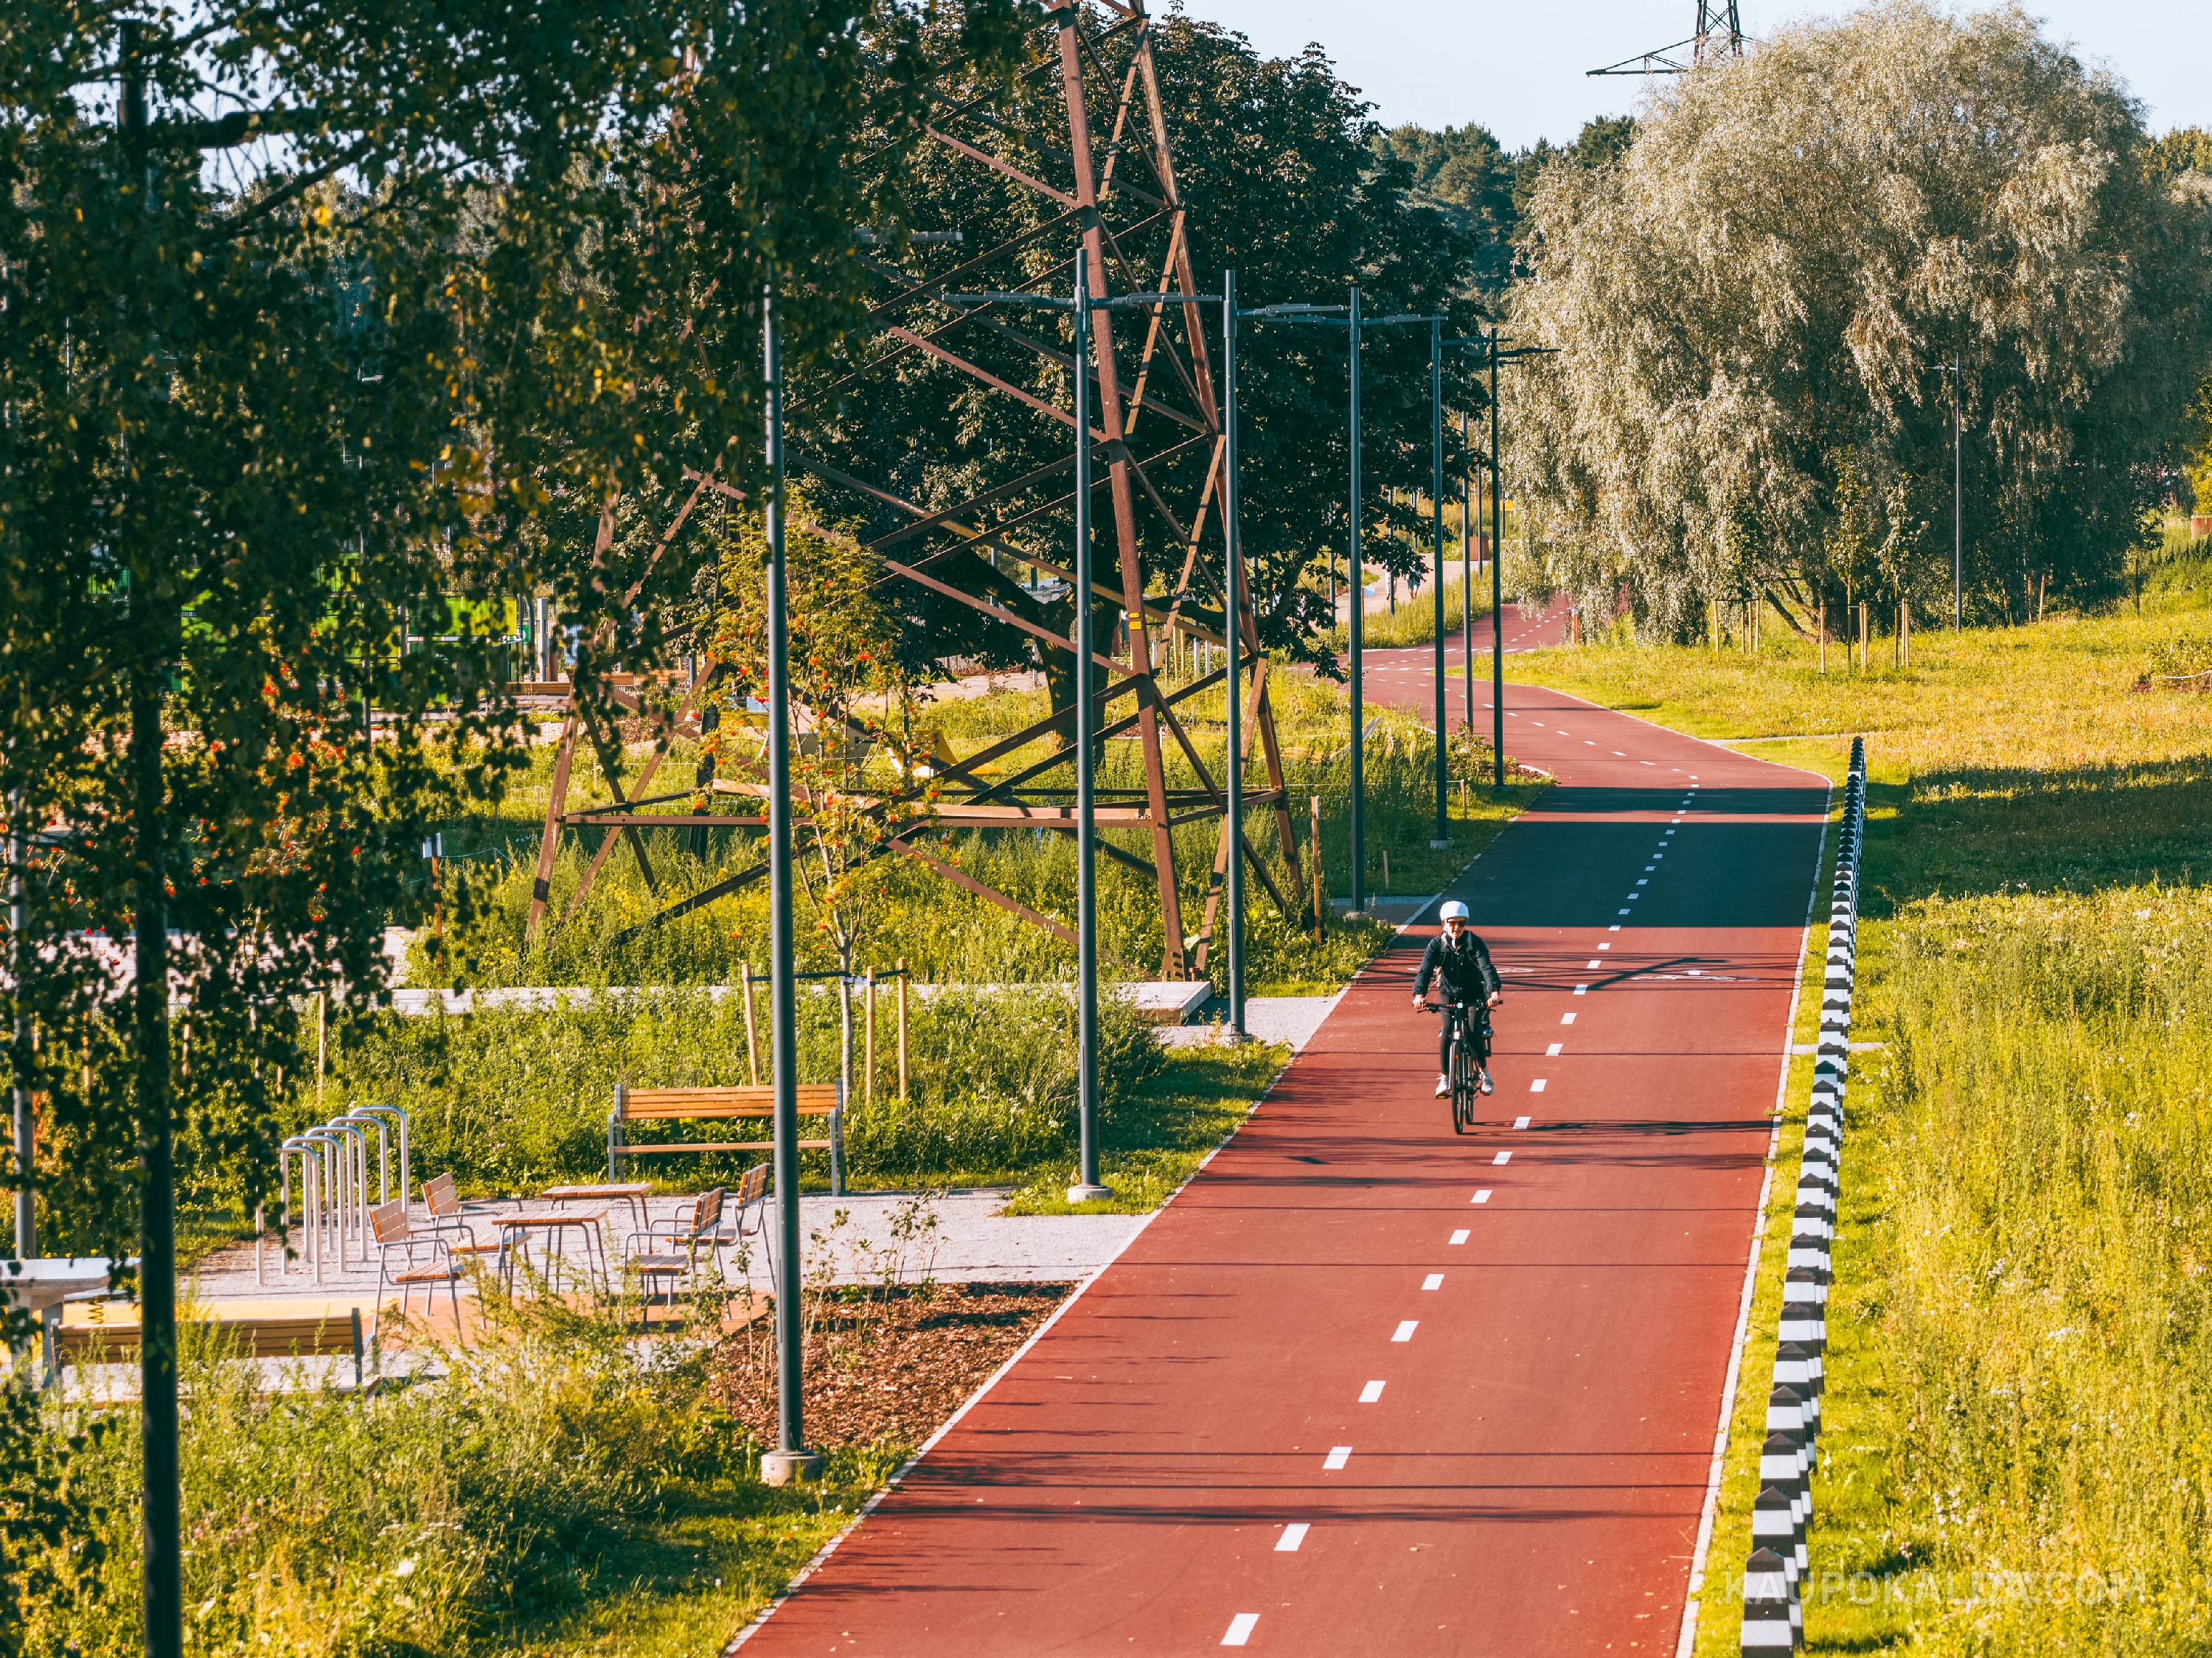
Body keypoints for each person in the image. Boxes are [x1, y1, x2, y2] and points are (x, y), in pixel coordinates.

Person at [1412, 899, 1502, 1098]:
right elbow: (1425, 970)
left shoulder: (1474, 943)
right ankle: (1444, 1078)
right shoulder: (1437, 945)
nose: (1456, 928)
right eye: (1452, 923)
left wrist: (1494, 992)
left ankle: (1484, 1074)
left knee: (1473, 1031)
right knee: (1446, 1031)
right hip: (1448, 992)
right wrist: (1419, 994)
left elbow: (1486, 968)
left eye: (1461, 923)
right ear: (1444, 924)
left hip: (1473, 994)